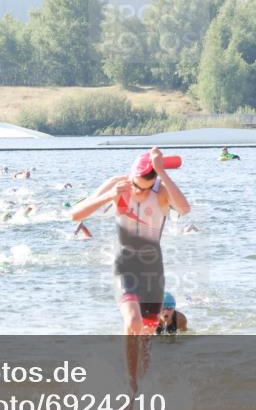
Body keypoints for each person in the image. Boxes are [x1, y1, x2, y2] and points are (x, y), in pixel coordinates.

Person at [70, 146, 191, 391]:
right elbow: (75, 214)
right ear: (131, 175)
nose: (138, 192)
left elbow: (185, 209)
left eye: (145, 188)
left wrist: (161, 172)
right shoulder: (117, 184)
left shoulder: (161, 192)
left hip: (152, 269)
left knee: (146, 335)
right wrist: (109, 196)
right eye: (136, 186)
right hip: (125, 263)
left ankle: (143, 387)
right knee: (133, 320)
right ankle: (130, 383)